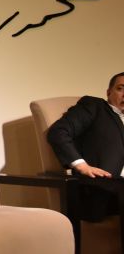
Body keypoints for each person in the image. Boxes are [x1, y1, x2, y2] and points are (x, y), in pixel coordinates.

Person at [47, 72, 124, 222]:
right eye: (120, 88)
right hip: (102, 189)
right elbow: (58, 132)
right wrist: (81, 165)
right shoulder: (95, 107)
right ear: (109, 92)